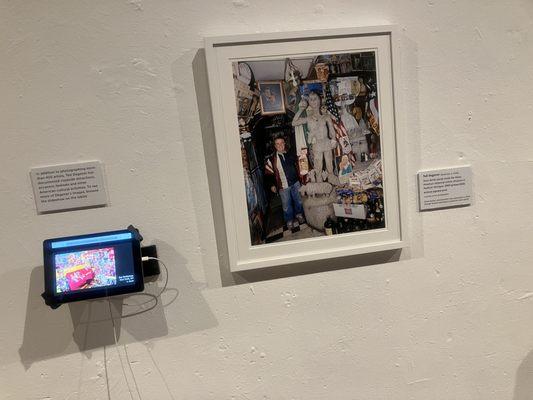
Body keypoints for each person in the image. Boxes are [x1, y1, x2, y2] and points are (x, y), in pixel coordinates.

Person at [292, 91, 337, 181]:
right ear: (309, 102)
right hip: (317, 145)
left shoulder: (326, 116)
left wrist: (334, 139)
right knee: (318, 168)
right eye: (311, 100)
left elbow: (331, 129)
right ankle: (320, 186)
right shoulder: (309, 118)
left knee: (330, 166)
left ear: (319, 100)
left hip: (327, 142)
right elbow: (294, 123)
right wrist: (300, 109)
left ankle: (332, 182)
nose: (313, 101)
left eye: (315, 99)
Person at [265, 137, 305, 229]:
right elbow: (268, 173)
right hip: (283, 185)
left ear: (284, 143)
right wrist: (272, 185)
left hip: (295, 183)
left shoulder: (291, 153)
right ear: (275, 146)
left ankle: (299, 215)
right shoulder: (271, 159)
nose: (280, 145)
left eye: (282, 143)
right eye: (277, 144)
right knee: (286, 205)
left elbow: (299, 164)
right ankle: (289, 220)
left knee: (298, 201)